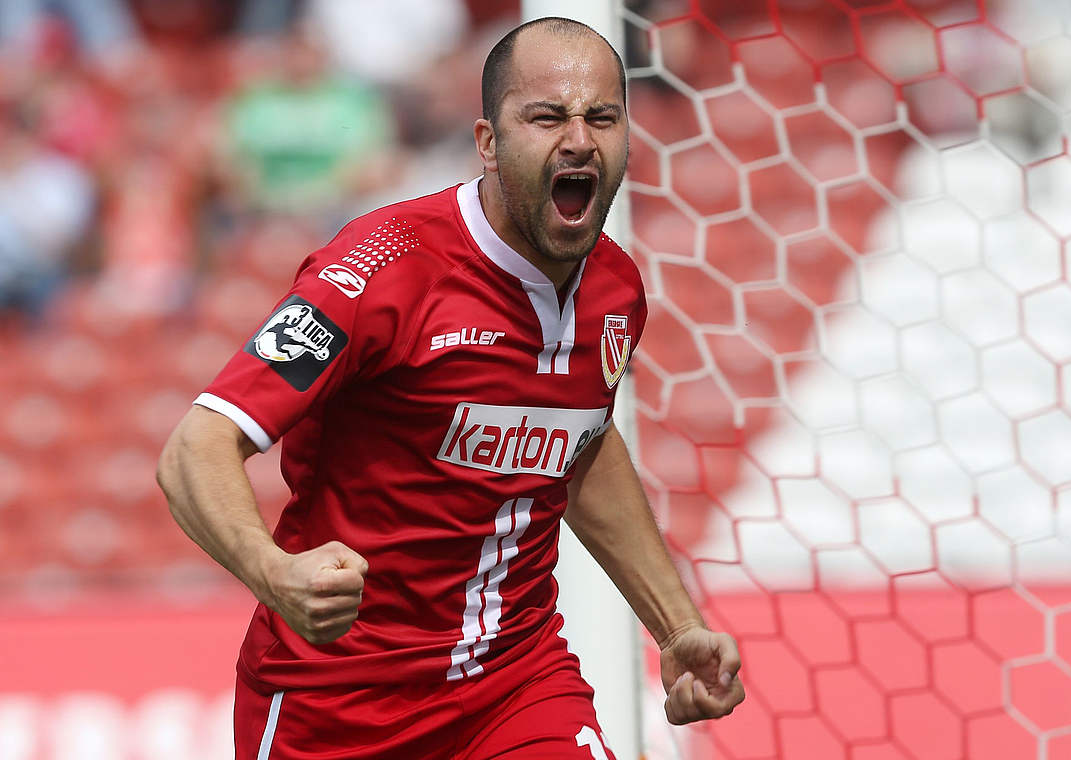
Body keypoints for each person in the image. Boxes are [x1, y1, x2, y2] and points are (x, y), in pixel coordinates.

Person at [156, 17, 744, 760]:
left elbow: (580, 446)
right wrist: (275, 575)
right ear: (488, 142)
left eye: (602, 117)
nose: (579, 140)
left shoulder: (617, 290)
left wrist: (676, 625)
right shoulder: (379, 272)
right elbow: (194, 448)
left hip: (513, 685)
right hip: (339, 703)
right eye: (546, 116)